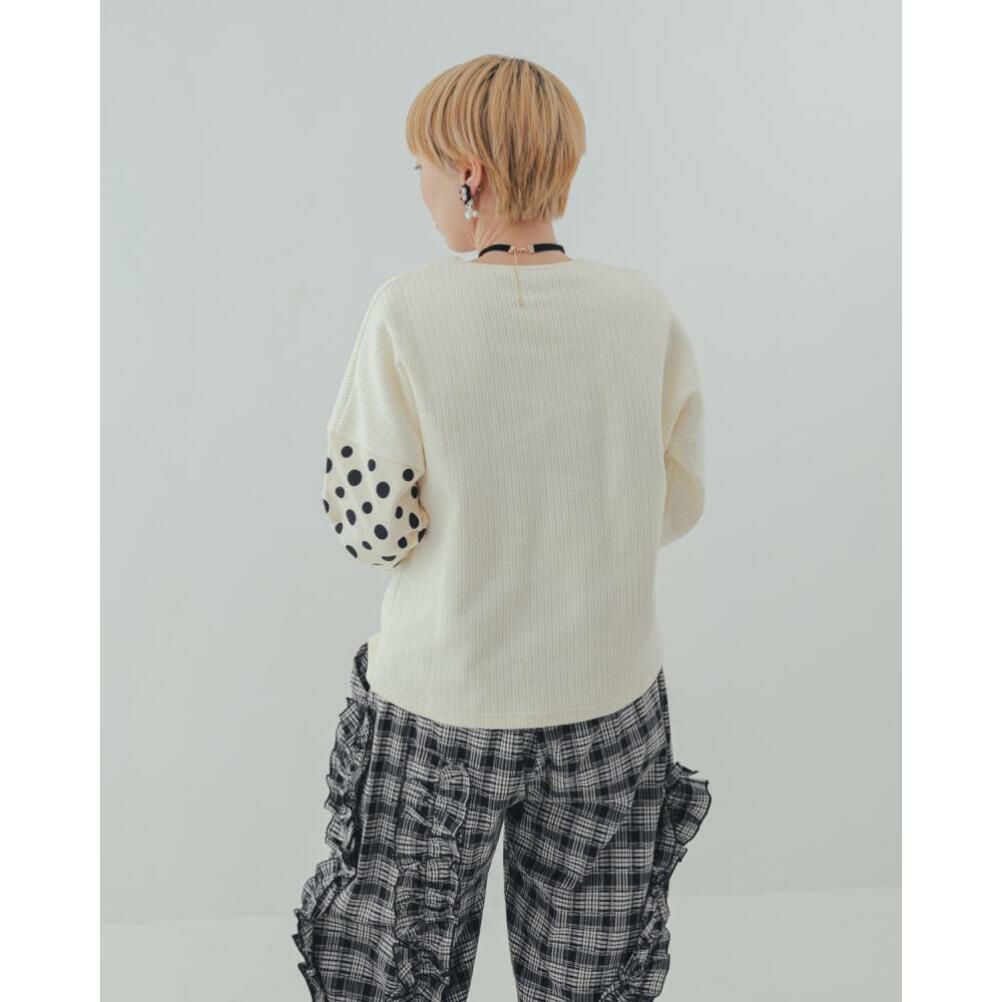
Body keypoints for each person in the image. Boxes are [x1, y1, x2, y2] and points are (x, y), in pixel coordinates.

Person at [293, 54, 712, 1002]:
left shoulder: (408, 311)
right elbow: (677, 498)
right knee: (591, 983)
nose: (421, 189)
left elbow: (371, 527)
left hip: (441, 709)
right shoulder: (642, 311)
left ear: (469, 174)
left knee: (397, 978)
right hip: (608, 706)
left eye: (424, 167)